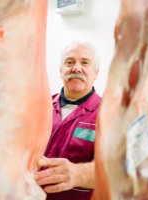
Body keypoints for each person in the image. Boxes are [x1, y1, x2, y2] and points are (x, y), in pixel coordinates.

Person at [35, 41, 101, 200]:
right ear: (60, 71)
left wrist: (79, 174)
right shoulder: (39, 107)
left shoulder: (107, 114)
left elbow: (116, 170)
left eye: (85, 63)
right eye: (69, 62)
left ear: (96, 73)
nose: (76, 68)